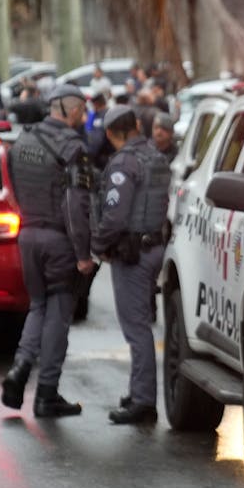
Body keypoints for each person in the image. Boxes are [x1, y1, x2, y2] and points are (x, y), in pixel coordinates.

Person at [0, 84, 96, 417]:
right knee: (58, 314)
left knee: (37, 306)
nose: (83, 117)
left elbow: (10, 186)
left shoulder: (22, 141)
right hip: (58, 242)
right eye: (82, 111)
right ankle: (46, 393)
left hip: (27, 237)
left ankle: (20, 367)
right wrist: (84, 253)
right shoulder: (73, 148)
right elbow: (76, 205)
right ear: (70, 110)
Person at [90, 104, 171, 425]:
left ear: (112, 133)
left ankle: (143, 401)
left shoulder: (124, 162)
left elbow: (115, 216)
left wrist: (96, 246)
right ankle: (139, 390)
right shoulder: (156, 156)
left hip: (133, 254)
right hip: (155, 247)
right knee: (142, 325)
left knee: (136, 329)